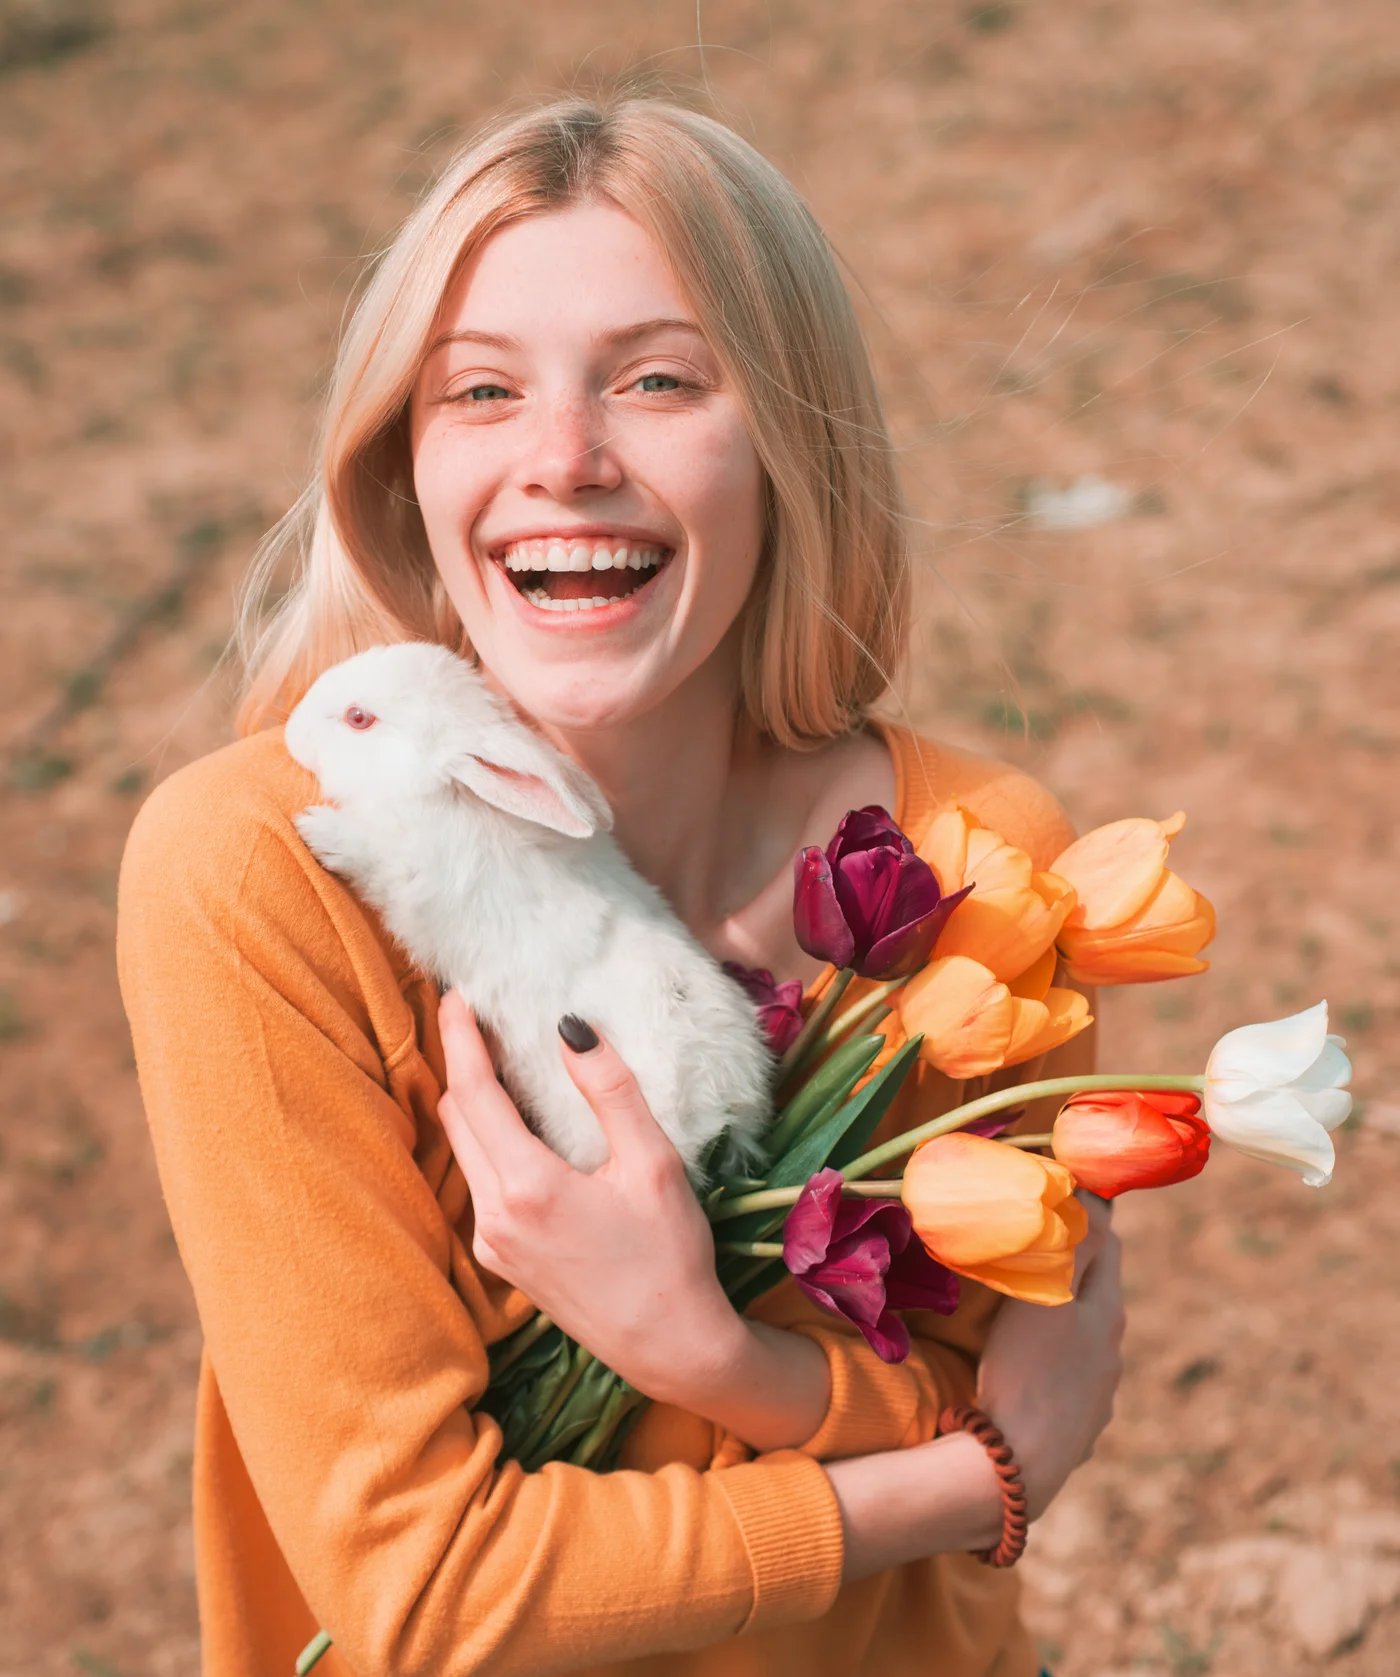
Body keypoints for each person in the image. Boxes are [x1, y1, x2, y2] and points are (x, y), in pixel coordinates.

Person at [117, 95, 1124, 1677]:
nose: (565, 460)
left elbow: (996, 1375)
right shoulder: (259, 874)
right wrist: (952, 1485)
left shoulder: (981, 871)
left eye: (659, 380)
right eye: (482, 393)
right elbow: (431, 1596)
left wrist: (699, 1351)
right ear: (406, 464)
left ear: (785, 438)